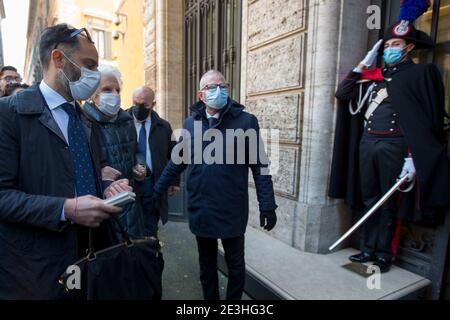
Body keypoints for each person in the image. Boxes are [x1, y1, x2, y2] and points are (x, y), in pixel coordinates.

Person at [0, 24, 132, 299]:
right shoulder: (9, 115)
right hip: (36, 269)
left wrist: (106, 188)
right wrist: (66, 209)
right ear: (58, 59)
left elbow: (83, 171)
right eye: (89, 64)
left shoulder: (85, 120)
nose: (95, 75)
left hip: (92, 254)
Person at [329, 17, 450, 272]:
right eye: (387, 46)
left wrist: (413, 156)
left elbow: (426, 118)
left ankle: (385, 254)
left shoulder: (421, 73)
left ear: (408, 47)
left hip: (396, 146)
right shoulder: (375, 77)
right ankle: (368, 248)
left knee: (388, 202)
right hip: (368, 143)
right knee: (370, 198)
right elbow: (342, 93)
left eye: (396, 44)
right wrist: (363, 64)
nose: (390, 49)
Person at [151, 70, 278, 300]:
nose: (218, 90)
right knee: (207, 267)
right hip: (202, 209)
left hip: (232, 210)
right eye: (211, 87)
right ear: (201, 95)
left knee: (236, 267)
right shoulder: (190, 124)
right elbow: (176, 163)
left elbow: (261, 165)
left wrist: (267, 204)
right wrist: (156, 192)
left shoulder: (246, 121)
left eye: (222, 85)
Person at [83, 65, 147, 239]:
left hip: (131, 200)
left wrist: (140, 166)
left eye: (117, 90)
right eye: (107, 89)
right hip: (103, 205)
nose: (115, 95)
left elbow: (137, 152)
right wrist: (98, 172)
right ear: (91, 94)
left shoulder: (126, 121)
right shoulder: (83, 123)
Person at [128, 86, 180, 238]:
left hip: (153, 186)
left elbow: (174, 155)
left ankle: (151, 257)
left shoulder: (163, 126)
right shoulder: (121, 122)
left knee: (150, 231)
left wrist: (175, 181)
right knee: (130, 231)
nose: (139, 108)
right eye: (135, 103)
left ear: (153, 104)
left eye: (144, 105)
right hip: (128, 186)